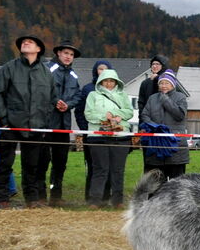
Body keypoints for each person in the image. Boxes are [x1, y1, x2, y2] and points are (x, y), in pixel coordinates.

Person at [0, 34, 57, 209]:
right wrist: (4, 120)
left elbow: (52, 99)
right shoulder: (8, 68)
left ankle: (31, 199)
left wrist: (44, 121)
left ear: (38, 49)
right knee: (5, 163)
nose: (25, 43)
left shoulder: (46, 74)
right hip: (10, 124)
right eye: (23, 42)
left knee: (31, 165)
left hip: (36, 126)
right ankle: (1, 197)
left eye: (30, 42)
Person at [83, 67, 134, 208]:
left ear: (116, 82)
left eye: (112, 81)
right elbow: (88, 114)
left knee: (118, 170)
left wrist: (118, 116)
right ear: (100, 81)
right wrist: (103, 117)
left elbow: (129, 112)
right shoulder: (93, 95)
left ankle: (117, 201)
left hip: (120, 136)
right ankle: (95, 200)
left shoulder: (123, 95)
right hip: (98, 136)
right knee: (100, 169)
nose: (109, 83)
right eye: (106, 80)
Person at [40, 39, 82, 207]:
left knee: (60, 162)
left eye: (71, 54)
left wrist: (68, 105)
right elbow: (41, 89)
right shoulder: (46, 69)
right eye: (66, 53)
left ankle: (56, 196)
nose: (68, 56)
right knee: (43, 160)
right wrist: (55, 101)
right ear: (58, 53)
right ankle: (40, 195)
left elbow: (78, 96)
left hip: (64, 125)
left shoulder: (73, 76)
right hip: (47, 122)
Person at [139, 69, 190, 180]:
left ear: (173, 85)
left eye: (167, 83)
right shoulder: (152, 98)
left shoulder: (181, 97)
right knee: (156, 180)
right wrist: (155, 127)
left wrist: (165, 99)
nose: (163, 86)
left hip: (175, 145)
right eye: (161, 83)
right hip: (156, 144)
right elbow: (145, 115)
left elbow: (180, 115)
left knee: (177, 182)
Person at [75, 60, 113, 203]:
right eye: (100, 69)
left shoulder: (115, 89)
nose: (102, 72)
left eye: (105, 69)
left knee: (109, 166)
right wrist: (86, 129)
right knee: (92, 166)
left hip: (110, 135)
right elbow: (79, 111)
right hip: (92, 135)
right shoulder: (88, 89)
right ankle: (91, 197)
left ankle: (106, 196)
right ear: (95, 71)